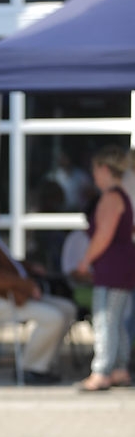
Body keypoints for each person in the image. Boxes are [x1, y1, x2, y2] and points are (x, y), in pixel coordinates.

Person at [0, 189, 77, 385]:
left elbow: (6, 266)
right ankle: (30, 368)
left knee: (67, 309)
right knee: (53, 317)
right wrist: (27, 285)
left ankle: (43, 363)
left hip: (6, 295)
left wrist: (29, 268)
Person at [75, 145, 135, 391]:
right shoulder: (121, 196)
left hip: (112, 268)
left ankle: (101, 371)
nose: (94, 175)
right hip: (121, 265)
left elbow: (103, 236)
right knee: (117, 320)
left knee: (105, 319)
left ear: (104, 168)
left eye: (95, 169)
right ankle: (119, 369)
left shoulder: (111, 197)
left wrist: (84, 261)